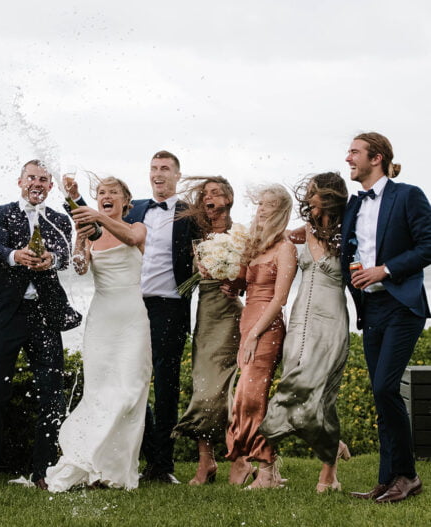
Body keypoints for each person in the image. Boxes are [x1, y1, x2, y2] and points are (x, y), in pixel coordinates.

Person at [67, 151, 196, 483]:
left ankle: (163, 466)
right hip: (123, 306)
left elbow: (121, 229)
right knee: (125, 383)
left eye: (165, 168)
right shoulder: (136, 208)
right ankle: (135, 454)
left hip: (168, 305)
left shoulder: (187, 213)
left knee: (164, 384)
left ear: (177, 175)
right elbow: (97, 225)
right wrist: (77, 204)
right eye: (153, 168)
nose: (158, 173)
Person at [0, 160, 82, 492]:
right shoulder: (1, 212)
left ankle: (43, 471)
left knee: (51, 395)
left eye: (43, 179)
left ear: (50, 186)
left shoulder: (58, 219)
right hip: (7, 314)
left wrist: (52, 259)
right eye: (31, 177)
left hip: (45, 315)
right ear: (20, 181)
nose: (37, 183)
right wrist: (16, 255)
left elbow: (64, 255)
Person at [44, 176, 150, 491]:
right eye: (102, 192)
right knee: (100, 391)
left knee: (130, 391)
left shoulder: (137, 227)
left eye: (113, 192)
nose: (107, 196)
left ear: (125, 201)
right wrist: (80, 240)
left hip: (132, 318)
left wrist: (96, 217)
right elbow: (79, 267)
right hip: (102, 319)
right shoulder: (91, 234)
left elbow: (131, 238)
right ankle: (92, 465)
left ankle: (118, 469)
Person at [342, 132, 431, 504]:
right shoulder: (354, 204)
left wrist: (385, 270)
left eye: (354, 152)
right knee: (382, 396)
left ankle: (408, 476)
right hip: (371, 308)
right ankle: (386, 479)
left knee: (384, 388)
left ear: (376, 157)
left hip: (402, 305)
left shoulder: (407, 195)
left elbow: (428, 245)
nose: (348, 158)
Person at [259, 172, 351, 492]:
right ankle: (324, 449)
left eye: (314, 193)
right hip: (300, 320)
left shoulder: (348, 232)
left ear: (328, 196)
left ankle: (328, 473)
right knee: (291, 385)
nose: (309, 198)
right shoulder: (306, 230)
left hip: (331, 320)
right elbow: (275, 238)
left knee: (322, 395)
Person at [171, 176, 242, 486]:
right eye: (204, 195)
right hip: (205, 315)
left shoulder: (240, 234)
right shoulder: (195, 235)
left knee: (222, 391)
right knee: (203, 388)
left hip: (230, 314)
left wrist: (237, 282)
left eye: (215, 192)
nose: (208, 198)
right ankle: (206, 461)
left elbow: (256, 276)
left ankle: (239, 459)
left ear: (228, 198)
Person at [225, 184, 297, 489]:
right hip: (248, 322)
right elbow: (242, 285)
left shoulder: (285, 248)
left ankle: (266, 471)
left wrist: (255, 333)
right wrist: (226, 278)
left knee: (251, 398)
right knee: (246, 396)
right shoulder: (255, 246)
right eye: (260, 204)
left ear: (281, 211)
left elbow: (280, 298)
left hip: (266, 328)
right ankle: (267, 469)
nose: (262, 210)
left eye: (269, 205)